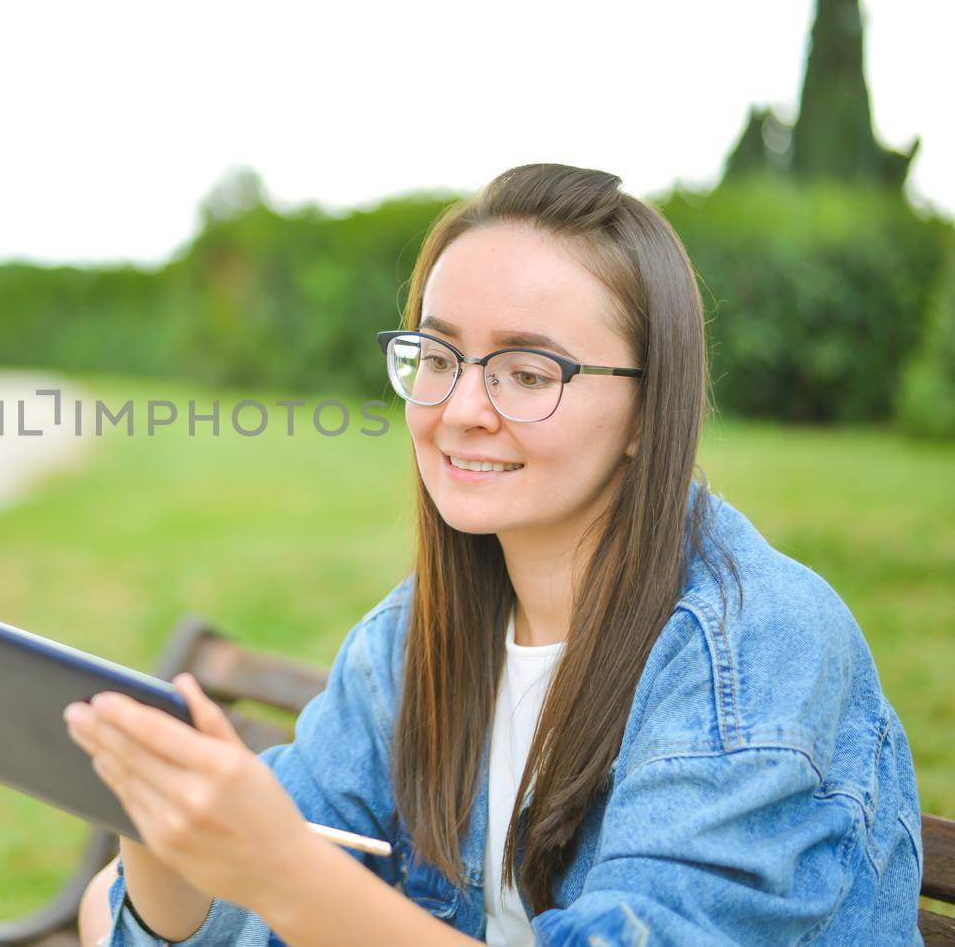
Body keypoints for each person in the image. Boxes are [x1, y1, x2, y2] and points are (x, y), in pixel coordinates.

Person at [64, 163, 924, 946]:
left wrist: (286, 875)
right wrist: (160, 837)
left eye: (528, 371)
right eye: (438, 356)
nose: (461, 407)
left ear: (648, 411)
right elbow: (212, 920)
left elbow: (288, 887)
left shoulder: (758, 649)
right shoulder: (411, 640)